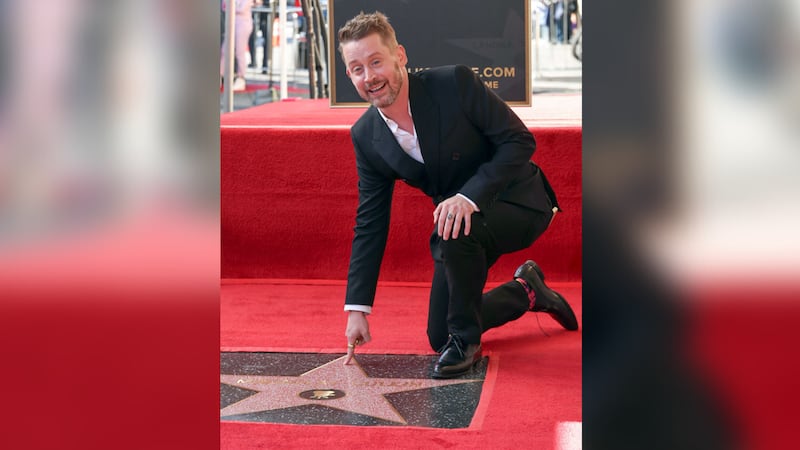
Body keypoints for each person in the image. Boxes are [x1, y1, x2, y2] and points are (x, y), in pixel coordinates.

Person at [338, 12, 578, 378]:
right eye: (357, 68)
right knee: (439, 335)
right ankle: (527, 290)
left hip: (520, 203)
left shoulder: (453, 83)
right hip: (458, 229)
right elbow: (370, 223)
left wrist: (469, 196)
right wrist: (358, 308)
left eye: (375, 62)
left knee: (458, 315)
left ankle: (468, 344)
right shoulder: (366, 136)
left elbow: (519, 140)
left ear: (400, 56)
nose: (369, 77)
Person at [220, 0, 255, 91]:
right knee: (224, 50)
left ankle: (241, 78)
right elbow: (224, 7)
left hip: (243, 23)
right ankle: (220, 74)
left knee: (239, 52)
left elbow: (241, 9)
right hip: (231, 22)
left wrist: (231, 8)